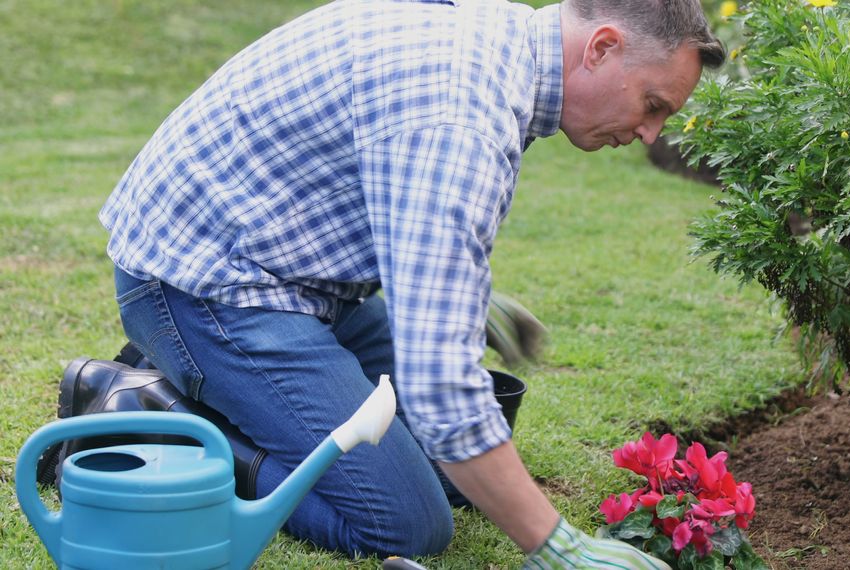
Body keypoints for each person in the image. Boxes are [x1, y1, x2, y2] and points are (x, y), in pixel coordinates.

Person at [77, 0, 724, 565]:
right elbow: (441, 386)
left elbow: (376, 162)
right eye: (653, 104)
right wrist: (556, 545)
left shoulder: (497, 40)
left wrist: (459, 289)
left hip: (283, 268)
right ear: (602, 47)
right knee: (404, 522)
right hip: (207, 283)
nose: (650, 133)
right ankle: (150, 413)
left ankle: (209, 387)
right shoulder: (462, 116)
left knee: (456, 474)